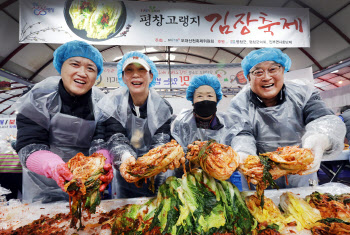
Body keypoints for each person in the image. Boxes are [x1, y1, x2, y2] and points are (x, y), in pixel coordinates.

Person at [228, 48, 346, 190]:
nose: (266, 77)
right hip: (259, 177)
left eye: (273, 69)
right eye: (258, 72)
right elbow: (241, 133)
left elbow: (322, 118)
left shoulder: (303, 93)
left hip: (301, 172)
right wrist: (244, 154)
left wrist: (320, 138)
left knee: (303, 208)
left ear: (283, 71)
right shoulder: (239, 103)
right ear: (248, 78)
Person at [15, 40, 113, 203]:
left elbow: (101, 141)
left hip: (86, 184)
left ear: (97, 75)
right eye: (75, 64)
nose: (82, 73)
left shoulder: (101, 103)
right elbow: (29, 145)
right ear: (61, 67)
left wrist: (102, 164)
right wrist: (54, 167)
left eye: (90, 68)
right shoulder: (40, 96)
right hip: (42, 186)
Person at [92, 51, 174, 198]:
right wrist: (125, 158)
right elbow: (115, 137)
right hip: (124, 170)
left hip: (155, 172)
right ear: (123, 77)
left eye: (141, 69)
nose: (135, 74)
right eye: (129, 70)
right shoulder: (113, 103)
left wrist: (151, 165)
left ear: (151, 76)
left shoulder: (162, 106)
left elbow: (161, 142)